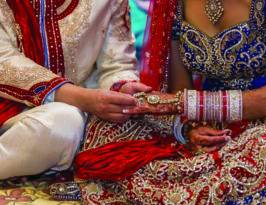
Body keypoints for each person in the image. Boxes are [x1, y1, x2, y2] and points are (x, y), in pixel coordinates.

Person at [50, 0, 266, 204]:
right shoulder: (176, 4)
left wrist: (174, 104)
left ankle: (117, 189)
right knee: (113, 117)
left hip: (265, 121)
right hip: (205, 121)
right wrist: (189, 128)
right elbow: (180, 89)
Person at [0, 0, 153, 180]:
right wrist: (83, 99)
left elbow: (116, 65)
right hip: (10, 109)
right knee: (65, 122)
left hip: (69, 116)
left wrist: (121, 89)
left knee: (66, 122)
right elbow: (4, 61)